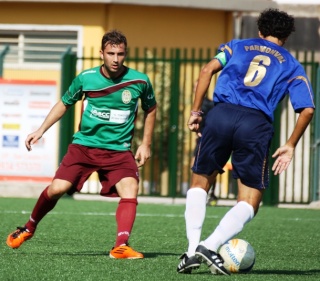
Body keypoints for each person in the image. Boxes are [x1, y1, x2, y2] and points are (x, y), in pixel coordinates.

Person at [177, 8, 314, 275]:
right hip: (256, 124)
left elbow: (206, 71)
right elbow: (307, 109)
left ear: (260, 31)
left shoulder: (236, 46)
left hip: (220, 115)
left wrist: (195, 112)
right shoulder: (292, 65)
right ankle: (210, 245)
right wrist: (290, 144)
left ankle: (193, 249)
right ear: (285, 38)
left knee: (200, 181)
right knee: (249, 200)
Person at [6, 30, 157, 259]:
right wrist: (40, 130)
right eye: (111, 53)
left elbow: (151, 108)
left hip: (118, 150)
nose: (116, 59)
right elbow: (64, 103)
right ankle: (28, 228)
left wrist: (145, 144)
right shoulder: (86, 78)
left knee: (130, 188)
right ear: (101, 54)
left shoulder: (139, 80)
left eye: (120, 54)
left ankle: (121, 246)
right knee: (58, 189)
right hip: (84, 147)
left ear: (126, 54)